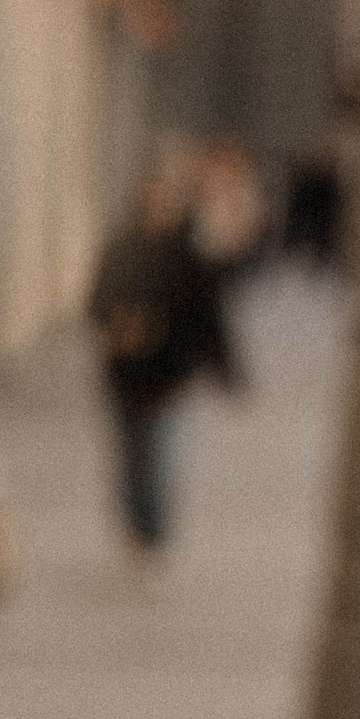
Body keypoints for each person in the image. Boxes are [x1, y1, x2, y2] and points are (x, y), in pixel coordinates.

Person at [86, 147, 238, 558]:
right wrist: (117, 325)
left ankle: (153, 528)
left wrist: (225, 369)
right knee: (129, 451)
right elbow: (96, 301)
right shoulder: (121, 247)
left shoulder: (188, 257)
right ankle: (135, 517)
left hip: (168, 373)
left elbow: (208, 317)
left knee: (157, 452)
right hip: (124, 369)